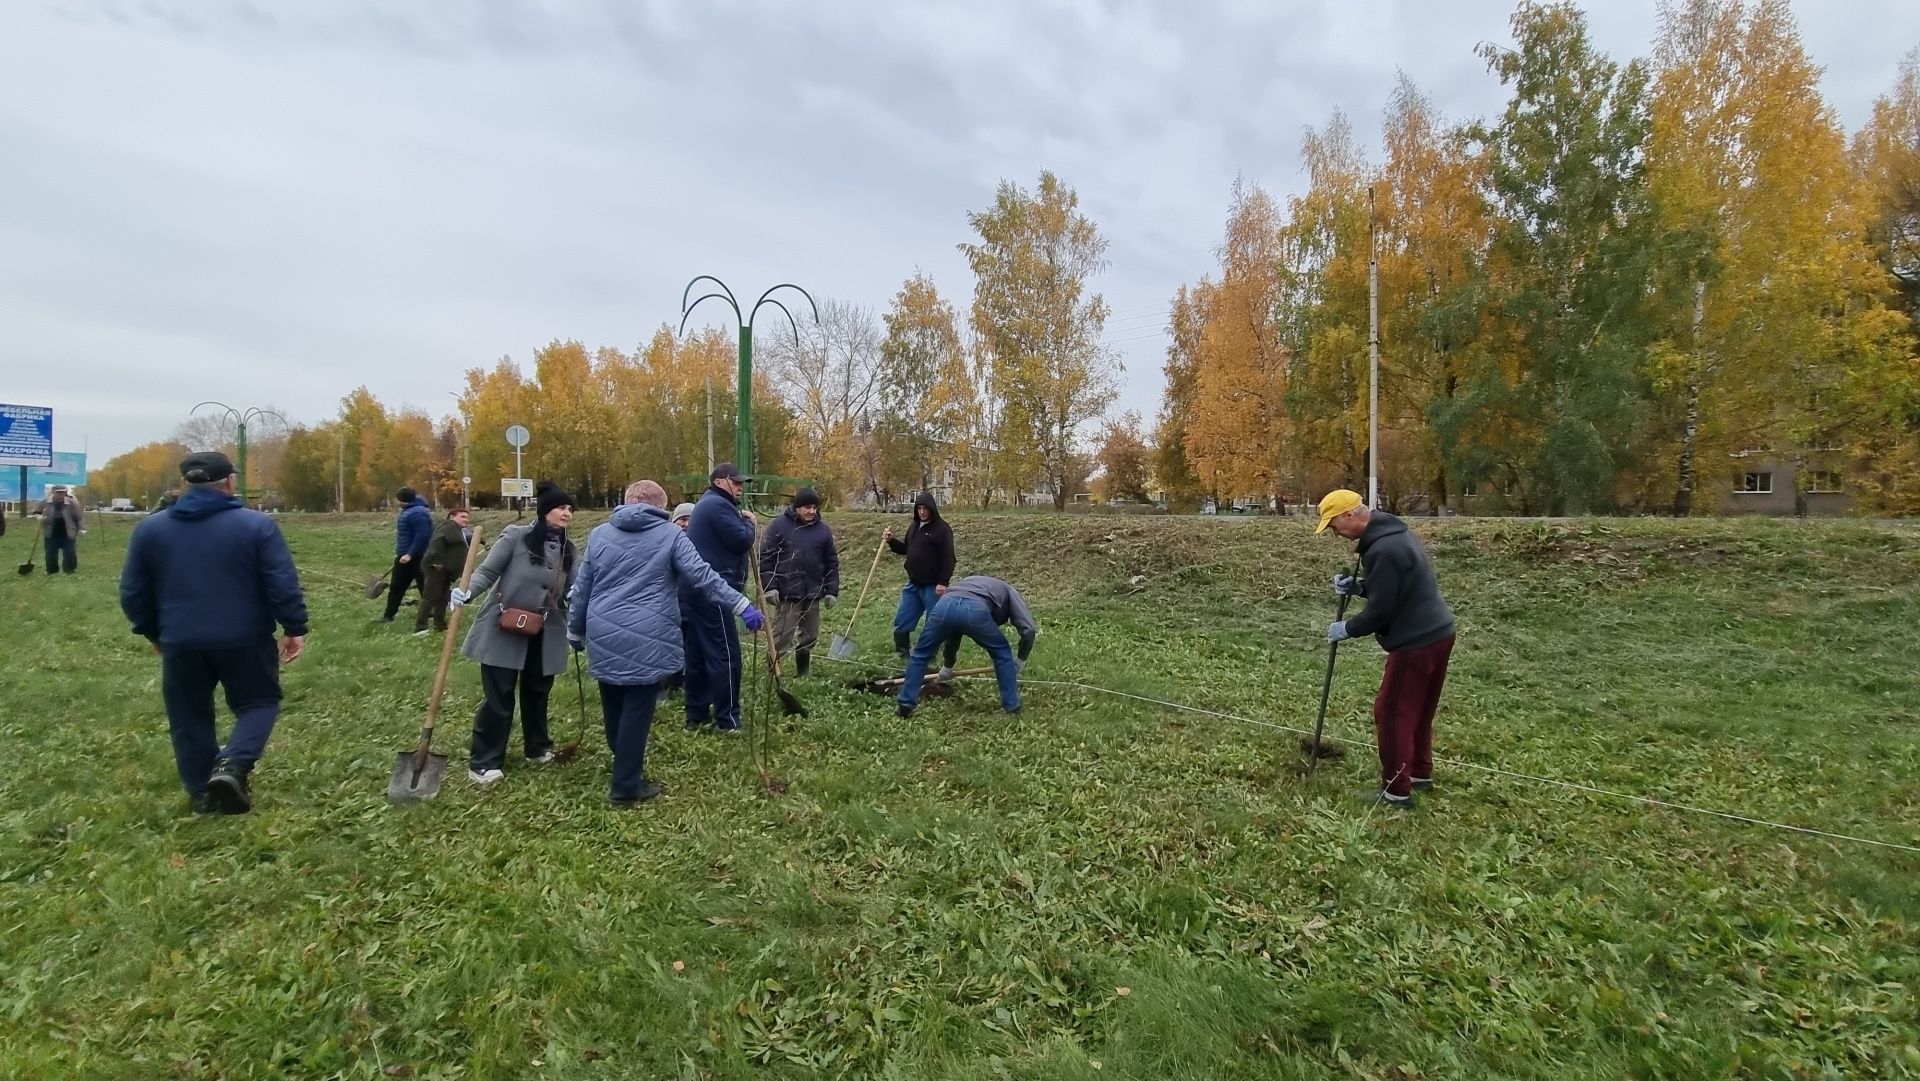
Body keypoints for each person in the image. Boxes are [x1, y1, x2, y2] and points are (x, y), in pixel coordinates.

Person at [118, 451, 308, 814]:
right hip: (245, 638)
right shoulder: (257, 526)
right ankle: (233, 765)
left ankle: (202, 794)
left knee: (188, 715)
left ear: (184, 484)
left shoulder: (150, 529)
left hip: (181, 639)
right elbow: (281, 582)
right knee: (258, 702)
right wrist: (294, 626)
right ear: (231, 482)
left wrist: (152, 630)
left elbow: (133, 591)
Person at [568, 481, 766, 806]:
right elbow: (703, 576)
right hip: (648, 632)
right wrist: (741, 605)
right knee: (638, 706)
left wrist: (575, 630)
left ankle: (623, 760)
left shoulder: (599, 535)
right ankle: (625, 786)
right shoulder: (671, 535)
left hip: (603, 630)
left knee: (613, 699)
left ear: (626, 500)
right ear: (661, 506)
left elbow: (583, 586)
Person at [1317, 489, 1457, 810]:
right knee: (1420, 709)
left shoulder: (1384, 549)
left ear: (1350, 516)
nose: (1335, 534)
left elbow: (1382, 611)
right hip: (1439, 633)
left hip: (1416, 641)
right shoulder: (1393, 534)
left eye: (1334, 525)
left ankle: (1396, 792)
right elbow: (1392, 588)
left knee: (1392, 711)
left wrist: (1347, 629)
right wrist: (1360, 587)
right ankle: (1420, 773)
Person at [449, 481, 577, 783]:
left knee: (537, 691)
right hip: (505, 626)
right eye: (561, 507)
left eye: (570, 509)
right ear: (545, 510)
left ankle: (537, 746)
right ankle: (484, 761)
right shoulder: (516, 537)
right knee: (499, 695)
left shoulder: (569, 549)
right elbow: (488, 571)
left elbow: (576, 585)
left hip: (547, 630)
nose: (567, 513)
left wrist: (576, 599)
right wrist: (466, 591)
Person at [896, 575, 1037, 719]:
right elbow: (1029, 629)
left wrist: (948, 667)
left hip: (944, 605)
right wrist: (1020, 660)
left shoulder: (969, 583)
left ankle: (905, 704)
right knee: (1002, 653)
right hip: (975, 609)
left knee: (920, 654)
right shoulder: (1010, 591)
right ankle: (1012, 706)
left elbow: (954, 632)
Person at [683, 463, 757, 732]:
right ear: (720, 481)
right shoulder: (717, 505)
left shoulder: (710, 504)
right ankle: (727, 719)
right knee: (725, 654)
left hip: (697, 589)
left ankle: (696, 714)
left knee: (698, 653)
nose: (740, 488)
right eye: (735, 483)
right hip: (714, 590)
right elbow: (740, 540)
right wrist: (750, 524)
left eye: (741, 483)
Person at [757, 487, 840, 678]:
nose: (812, 511)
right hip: (788, 593)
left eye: (814, 507)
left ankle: (803, 670)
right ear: (796, 508)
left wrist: (831, 590)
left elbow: (831, 562)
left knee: (810, 635)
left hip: (812, 592)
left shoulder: (823, 531)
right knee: (782, 635)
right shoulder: (779, 526)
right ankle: (773, 672)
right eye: (807, 507)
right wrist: (770, 587)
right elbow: (766, 559)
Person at [884, 491, 955, 657]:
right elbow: (907, 549)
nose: (922, 512)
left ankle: (929, 654)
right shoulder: (914, 527)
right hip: (913, 584)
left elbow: (949, 558)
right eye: (919, 508)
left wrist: (943, 582)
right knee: (903, 618)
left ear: (932, 509)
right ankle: (902, 652)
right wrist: (891, 541)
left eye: (925, 508)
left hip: (933, 586)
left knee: (934, 622)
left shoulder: (942, 529)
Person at [413, 506, 472, 636]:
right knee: (431, 596)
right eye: (462, 516)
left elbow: (458, 543)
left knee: (443, 598)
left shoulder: (457, 530)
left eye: (467, 517)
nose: (466, 520)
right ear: (452, 517)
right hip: (436, 567)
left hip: (446, 570)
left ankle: (440, 624)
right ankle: (420, 627)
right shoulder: (449, 526)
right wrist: (437, 560)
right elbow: (437, 541)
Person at [379, 486, 433, 623]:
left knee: (425, 587)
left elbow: (423, 535)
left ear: (402, 499)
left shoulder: (417, 513)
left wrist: (410, 554)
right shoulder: (410, 510)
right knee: (397, 586)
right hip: (405, 556)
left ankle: (431, 614)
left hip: (418, 557)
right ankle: (388, 615)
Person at [34, 485, 86, 575]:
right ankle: (52, 571)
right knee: (51, 553)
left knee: (70, 552)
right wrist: (38, 517)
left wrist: (82, 528)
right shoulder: (44, 502)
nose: (61, 495)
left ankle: (69, 570)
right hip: (51, 533)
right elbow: (36, 512)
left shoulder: (72, 503)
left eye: (63, 492)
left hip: (68, 532)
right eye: (59, 493)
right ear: (53, 493)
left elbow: (79, 517)